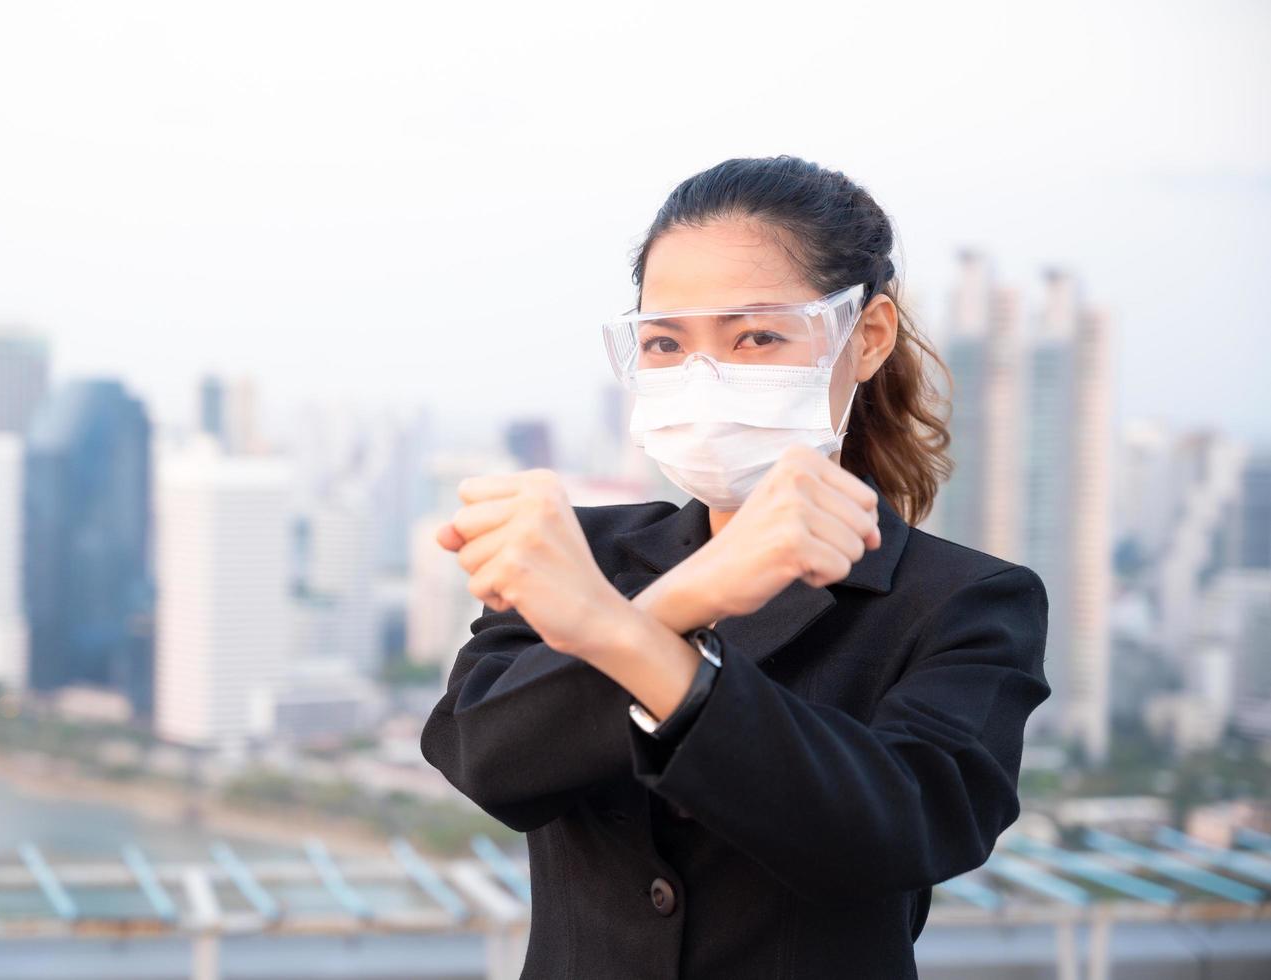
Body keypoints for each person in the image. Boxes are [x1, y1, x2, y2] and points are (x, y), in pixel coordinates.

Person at [419, 155, 1051, 980]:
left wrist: (626, 627)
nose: (703, 374)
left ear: (866, 338)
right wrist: (691, 595)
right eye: (665, 342)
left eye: (755, 336)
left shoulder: (963, 603)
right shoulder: (581, 552)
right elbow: (487, 761)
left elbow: (896, 833)